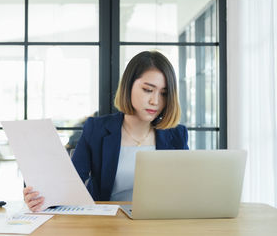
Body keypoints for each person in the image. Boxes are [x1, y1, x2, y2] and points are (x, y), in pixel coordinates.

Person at [23, 50, 189, 211]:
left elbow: (186, 191)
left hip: (159, 223)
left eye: (164, 94)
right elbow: (72, 186)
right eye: (148, 90)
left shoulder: (176, 135)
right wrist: (41, 199)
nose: (155, 101)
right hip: (109, 223)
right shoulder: (96, 129)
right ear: (128, 86)